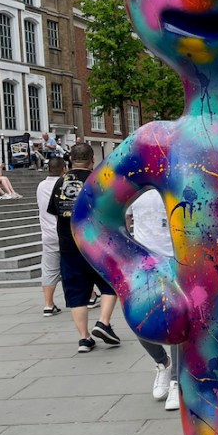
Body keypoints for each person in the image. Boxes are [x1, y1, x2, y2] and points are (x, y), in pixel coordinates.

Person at [47, 142, 122, 352]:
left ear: (71, 159)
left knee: (76, 291)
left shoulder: (60, 182)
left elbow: (55, 212)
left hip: (69, 245)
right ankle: (104, 322)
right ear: (92, 160)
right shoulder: (98, 180)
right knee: (111, 282)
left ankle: (84, 338)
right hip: (96, 242)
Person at [128, 190, 180, 410]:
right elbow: (124, 218)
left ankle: (177, 380)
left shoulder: (171, 182)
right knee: (138, 320)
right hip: (143, 263)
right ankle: (163, 363)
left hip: (174, 260)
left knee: (177, 320)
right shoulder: (133, 187)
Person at [36, 158, 65, 316]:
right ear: (63, 169)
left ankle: (48, 304)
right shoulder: (63, 185)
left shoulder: (41, 186)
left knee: (49, 269)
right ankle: (90, 296)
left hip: (47, 234)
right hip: (64, 233)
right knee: (75, 266)